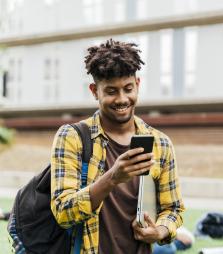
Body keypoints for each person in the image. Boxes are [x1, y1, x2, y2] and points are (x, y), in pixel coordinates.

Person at [50, 39, 185, 254]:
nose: (122, 99)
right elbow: (63, 213)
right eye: (111, 91)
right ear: (95, 91)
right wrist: (112, 177)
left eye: (128, 89)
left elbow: (173, 209)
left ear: (138, 85)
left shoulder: (161, 143)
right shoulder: (72, 137)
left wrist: (159, 231)